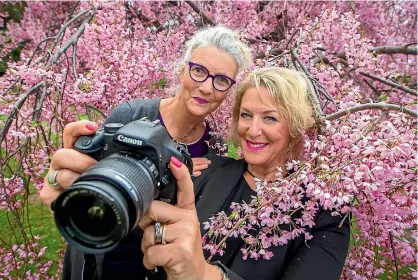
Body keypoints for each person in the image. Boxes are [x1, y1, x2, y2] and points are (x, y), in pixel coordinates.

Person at [51, 67, 350, 280]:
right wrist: (102, 186)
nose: (252, 129)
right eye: (246, 115)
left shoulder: (326, 214)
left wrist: (204, 275)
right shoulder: (205, 170)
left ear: (298, 127)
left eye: (270, 117)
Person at [40, 26, 251, 279]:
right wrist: (64, 180)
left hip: (152, 265)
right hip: (102, 248)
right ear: (182, 70)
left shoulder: (213, 145)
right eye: (198, 71)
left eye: (221, 80)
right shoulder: (132, 116)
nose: (207, 88)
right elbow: (98, 179)